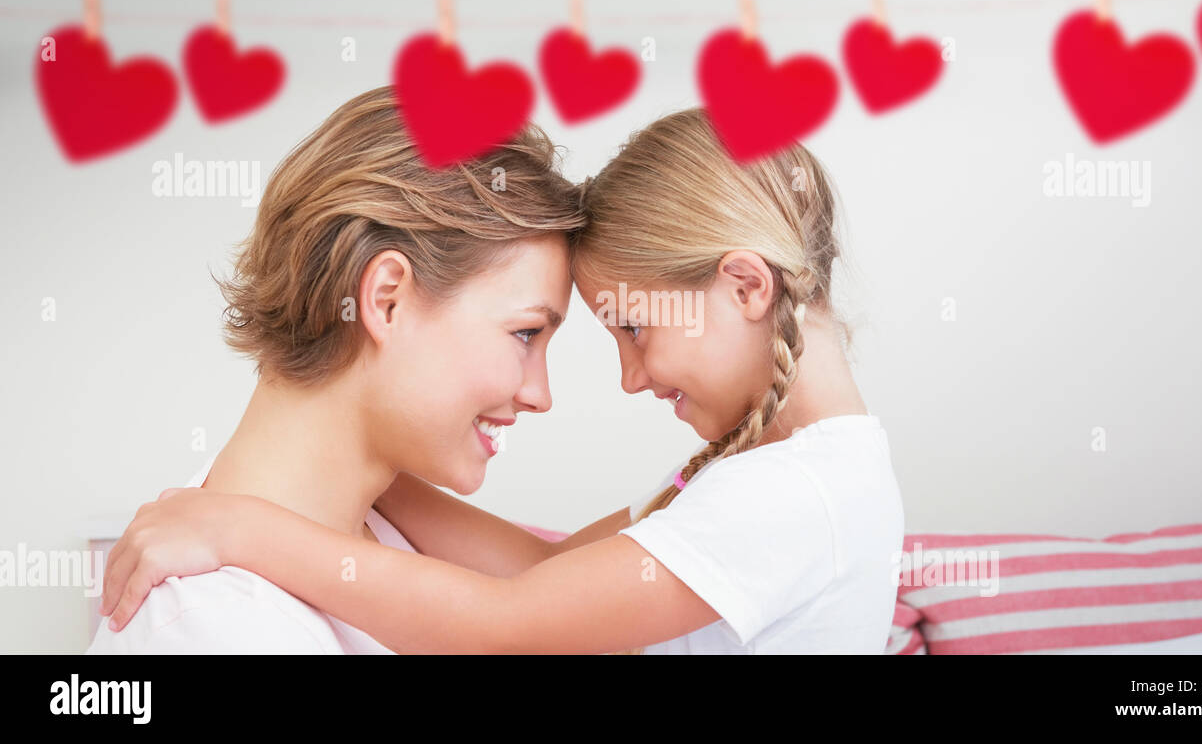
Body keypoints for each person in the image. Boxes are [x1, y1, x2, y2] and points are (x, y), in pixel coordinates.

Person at [99, 107, 905, 654]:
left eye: (632, 327)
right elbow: (531, 570)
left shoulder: (798, 489)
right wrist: (362, 456)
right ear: (383, 300)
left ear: (747, 287)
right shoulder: (207, 619)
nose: (616, 379)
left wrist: (241, 525)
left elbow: (508, 619)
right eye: (525, 332)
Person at [87, 85, 586, 653]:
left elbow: (550, 587)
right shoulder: (215, 630)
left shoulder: (390, 540)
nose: (540, 394)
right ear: (386, 300)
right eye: (526, 333)